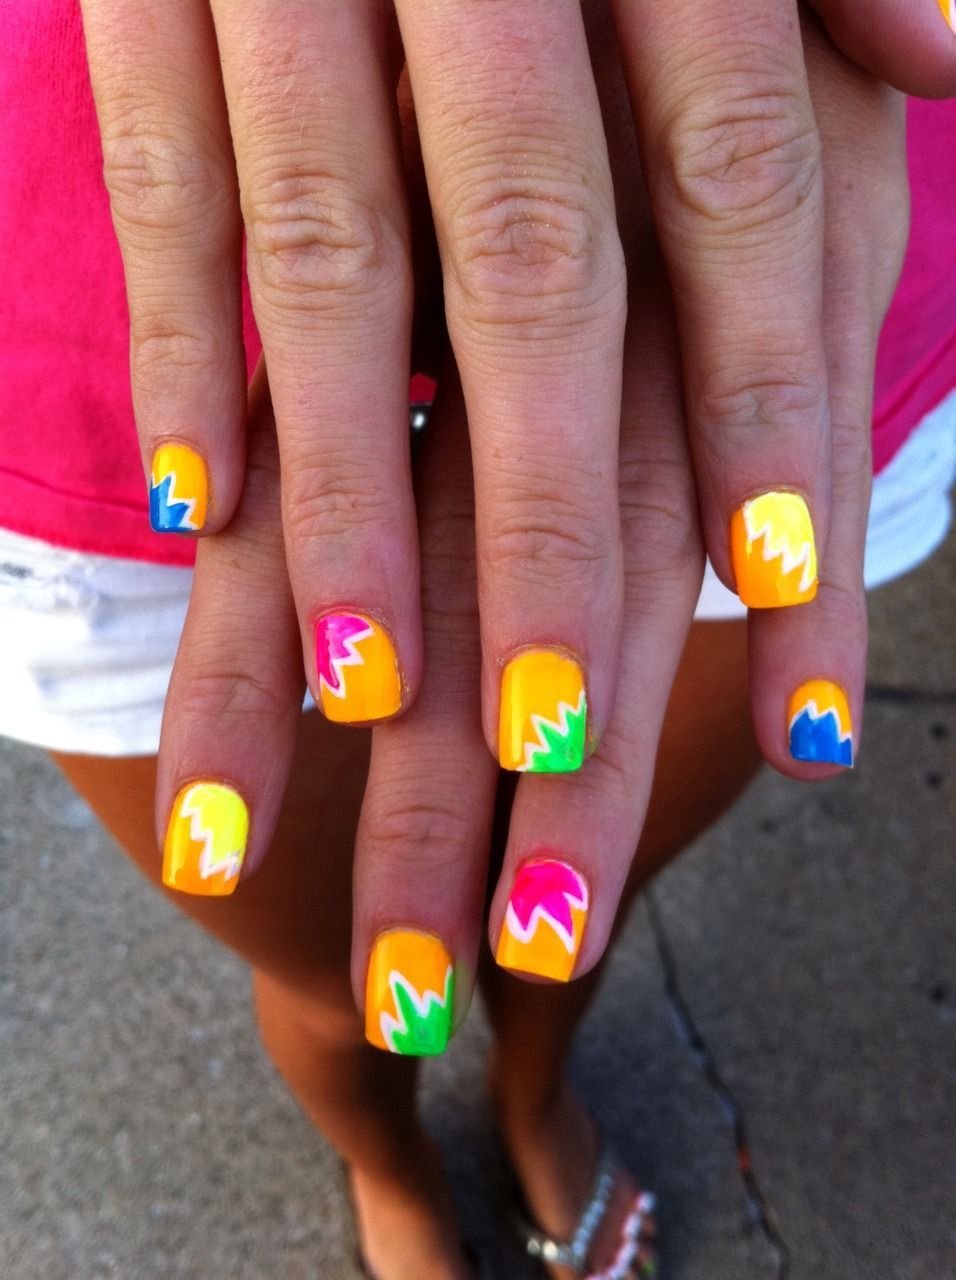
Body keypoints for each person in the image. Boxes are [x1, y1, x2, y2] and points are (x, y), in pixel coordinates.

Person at [1, 2, 954, 1277]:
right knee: (340, 976)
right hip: (111, 326)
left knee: (569, 894)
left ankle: (533, 1092)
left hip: (751, 242)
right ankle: (390, 1164)